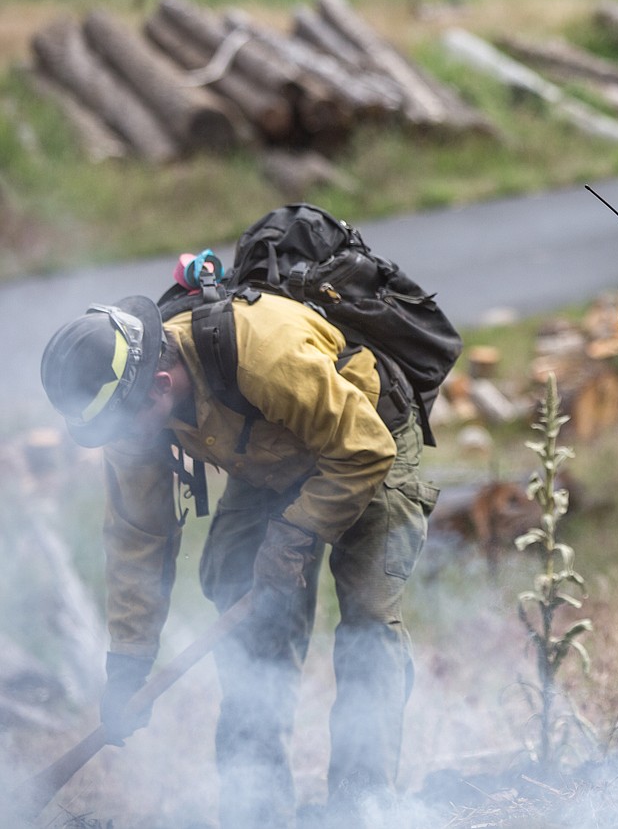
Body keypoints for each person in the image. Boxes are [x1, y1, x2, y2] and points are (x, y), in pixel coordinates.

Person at [40, 288, 438, 827]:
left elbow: (363, 448)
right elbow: (139, 536)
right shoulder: (129, 411)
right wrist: (129, 664)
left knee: (367, 622)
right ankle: (258, 813)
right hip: (275, 456)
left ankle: (361, 807)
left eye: (123, 427)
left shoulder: (263, 354)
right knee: (242, 607)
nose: (122, 441)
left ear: (160, 386)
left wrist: (295, 535)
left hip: (366, 439)